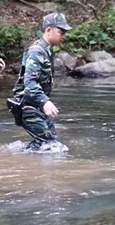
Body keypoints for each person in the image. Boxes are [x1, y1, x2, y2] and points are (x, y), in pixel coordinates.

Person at [10, 12, 73, 150]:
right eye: (61, 31)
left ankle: (18, 153)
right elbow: (30, 82)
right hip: (27, 106)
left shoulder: (47, 50)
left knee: (51, 142)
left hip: (36, 105)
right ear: (48, 30)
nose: (64, 36)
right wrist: (45, 102)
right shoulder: (36, 51)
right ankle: (13, 158)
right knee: (49, 146)